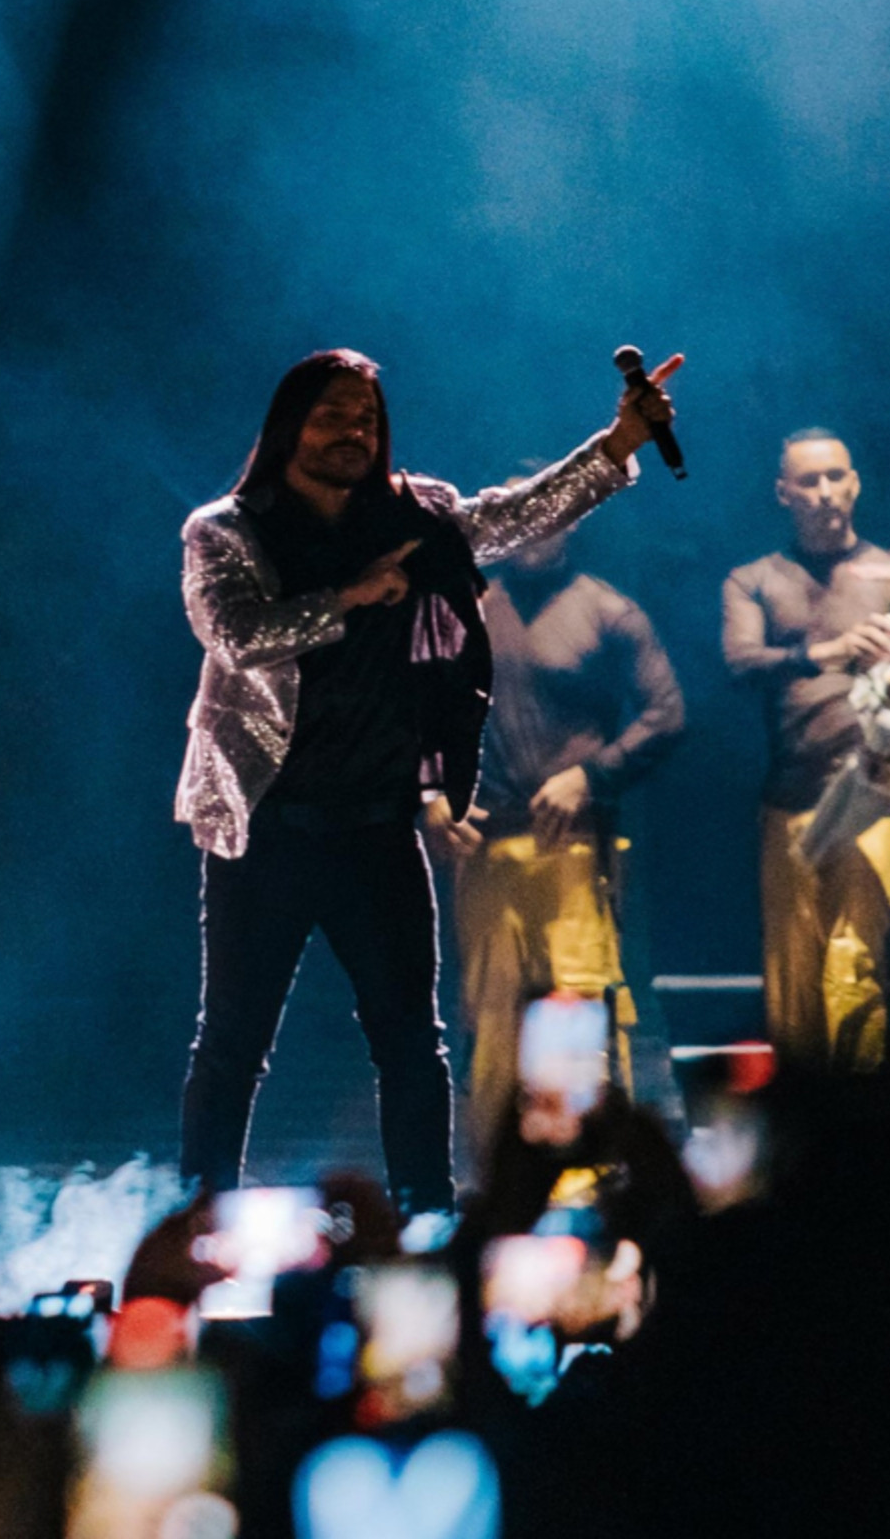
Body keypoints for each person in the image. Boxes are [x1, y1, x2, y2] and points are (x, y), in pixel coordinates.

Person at [175, 344, 677, 1213]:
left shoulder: (416, 512)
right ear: (291, 422)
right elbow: (236, 635)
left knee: (413, 1043)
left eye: (366, 417)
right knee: (232, 1045)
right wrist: (350, 598)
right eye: (332, 414)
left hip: (376, 826)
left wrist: (619, 443)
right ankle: (197, 1224)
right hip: (265, 826)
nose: (352, 432)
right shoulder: (225, 529)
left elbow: (512, 516)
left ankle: (426, 1220)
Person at [460, 525, 683, 1177]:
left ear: (575, 525)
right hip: (486, 848)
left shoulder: (608, 610)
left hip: (575, 848)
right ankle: (500, 1183)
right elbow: (414, 707)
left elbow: (666, 713)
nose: (537, 533)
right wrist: (432, 790)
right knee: (493, 1024)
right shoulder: (466, 610)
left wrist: (592, 776)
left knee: (574, 1012)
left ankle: (584, 1181)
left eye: (552, 519)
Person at [718, 430, 890, 1070]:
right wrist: (830, 652)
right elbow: (739, 661)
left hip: (868, 799)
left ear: (856, 482)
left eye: (835, 476)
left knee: (859, 972)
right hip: (788, 802)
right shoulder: (754, 579)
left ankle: (862, 1139)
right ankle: (804, 1145)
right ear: (783, 492)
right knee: (794, 990)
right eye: (808, 481)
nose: (824, 492)